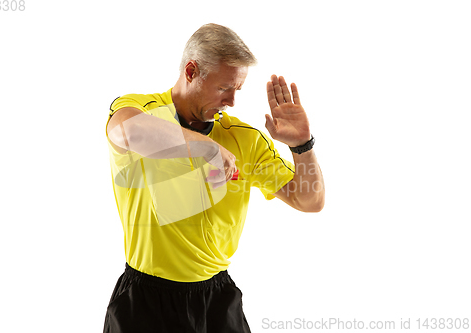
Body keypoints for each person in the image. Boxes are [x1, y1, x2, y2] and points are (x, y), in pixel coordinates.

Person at [103, 23, 325, 333]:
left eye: (238, 89)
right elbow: (125, 131)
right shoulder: (143, 110)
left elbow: (309, 200)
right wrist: (206, 148)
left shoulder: (245, 140)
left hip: (217, 301)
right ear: (191, 71)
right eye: (224, 88)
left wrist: (302, 146)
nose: (232, 101)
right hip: (145, 300)